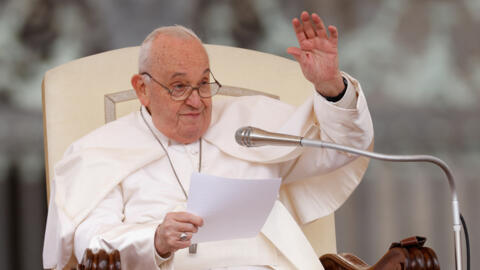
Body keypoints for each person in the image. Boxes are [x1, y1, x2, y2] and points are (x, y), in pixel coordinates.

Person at [43, 11, 374, 270]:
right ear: (142, 89)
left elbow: (339, 148)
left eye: (203, 83)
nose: (196, 101)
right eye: (178, 87)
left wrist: (330, 86)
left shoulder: (251, 126)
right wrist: (155, 241)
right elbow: (93, 245)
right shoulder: (101, 152)